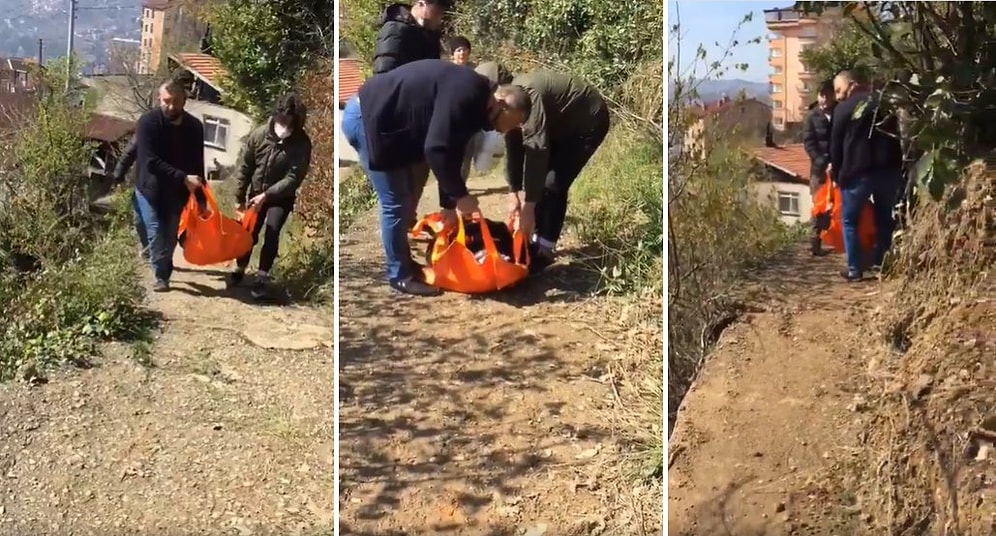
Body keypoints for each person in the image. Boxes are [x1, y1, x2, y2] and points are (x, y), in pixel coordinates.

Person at [340, 59, 530, 296]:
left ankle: (404, 265)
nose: (506, 131)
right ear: (501, 103)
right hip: (366, 119)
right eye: (509, 123)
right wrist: (460, 197)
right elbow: (436, 149)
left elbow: (452, 151)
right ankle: (399, 275)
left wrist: (449, 204)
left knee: (406, 195)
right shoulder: (468, 95)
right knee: (395, 202)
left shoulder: (477, 100)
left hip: (385, 122)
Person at [502, 68, 610, 273]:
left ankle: (545, 248)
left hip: (587, 122)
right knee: (540, 183)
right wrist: (513, 191)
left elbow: (537, 150)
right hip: (560, 125)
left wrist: (529, 206)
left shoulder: (529, 98)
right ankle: (534, 239)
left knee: (552, 183)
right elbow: (513, 144)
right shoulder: (509, 101)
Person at [228, 92, 313, 299]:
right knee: (248, 232)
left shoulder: (302, 143)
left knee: (272, 232)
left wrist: (267, 195)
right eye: (282, 119)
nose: (284, 125)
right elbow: (246, 168)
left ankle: (262, 276)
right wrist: (239, 197)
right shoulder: (259, 135)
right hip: (255, 193)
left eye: (289, 121)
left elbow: (293, 177)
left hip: (280, 197)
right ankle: (240, 267)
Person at [830, 70, 903, 282]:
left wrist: (837, 173)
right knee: (884, 218)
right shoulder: (884, 103)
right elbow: (897, 135)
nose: (838, 96)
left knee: (849, 221)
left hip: (856, 172)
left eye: (839, 89)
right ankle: (882, 264)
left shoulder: (843, 109)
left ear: (851, 85)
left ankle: (855, 270)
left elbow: (835, 147)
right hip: (888, 170)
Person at [134, 80, 205, 292]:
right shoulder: (148, 123)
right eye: (166, 101)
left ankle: (163, 271)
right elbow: (150, 161)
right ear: (159, 99)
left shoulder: (194, 127)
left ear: (184, 100)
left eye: (176, 102)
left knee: (170, 234)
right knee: (152, 229)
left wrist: (200, 196)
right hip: (150, 187)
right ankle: (160, 274)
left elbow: (197, 163)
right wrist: (183, 177)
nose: (171, 106)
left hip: (177, 192)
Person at [802, 81, 835, 256]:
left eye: (828, 95)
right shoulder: (812, 116)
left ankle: (837, 241)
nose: (825, 99)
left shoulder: (839, 112)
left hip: (838, 169)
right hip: (819, 171)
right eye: (822, 95)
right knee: (819, 206)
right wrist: (823, 162)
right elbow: (809, 143)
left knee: (837, 207)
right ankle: (815, 244)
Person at [372, 0, 445, 74]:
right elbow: (385, 74)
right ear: (422, 3)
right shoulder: (395, 30)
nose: (441, 16)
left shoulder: (430, 36)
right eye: (438, 9)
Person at [112, 132, 149, 257]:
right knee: (139, 220)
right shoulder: (146, 127)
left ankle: (161, 253)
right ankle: (147, 248)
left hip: (168, 186)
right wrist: (118, 175)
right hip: (142, 181)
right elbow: (129, 152)